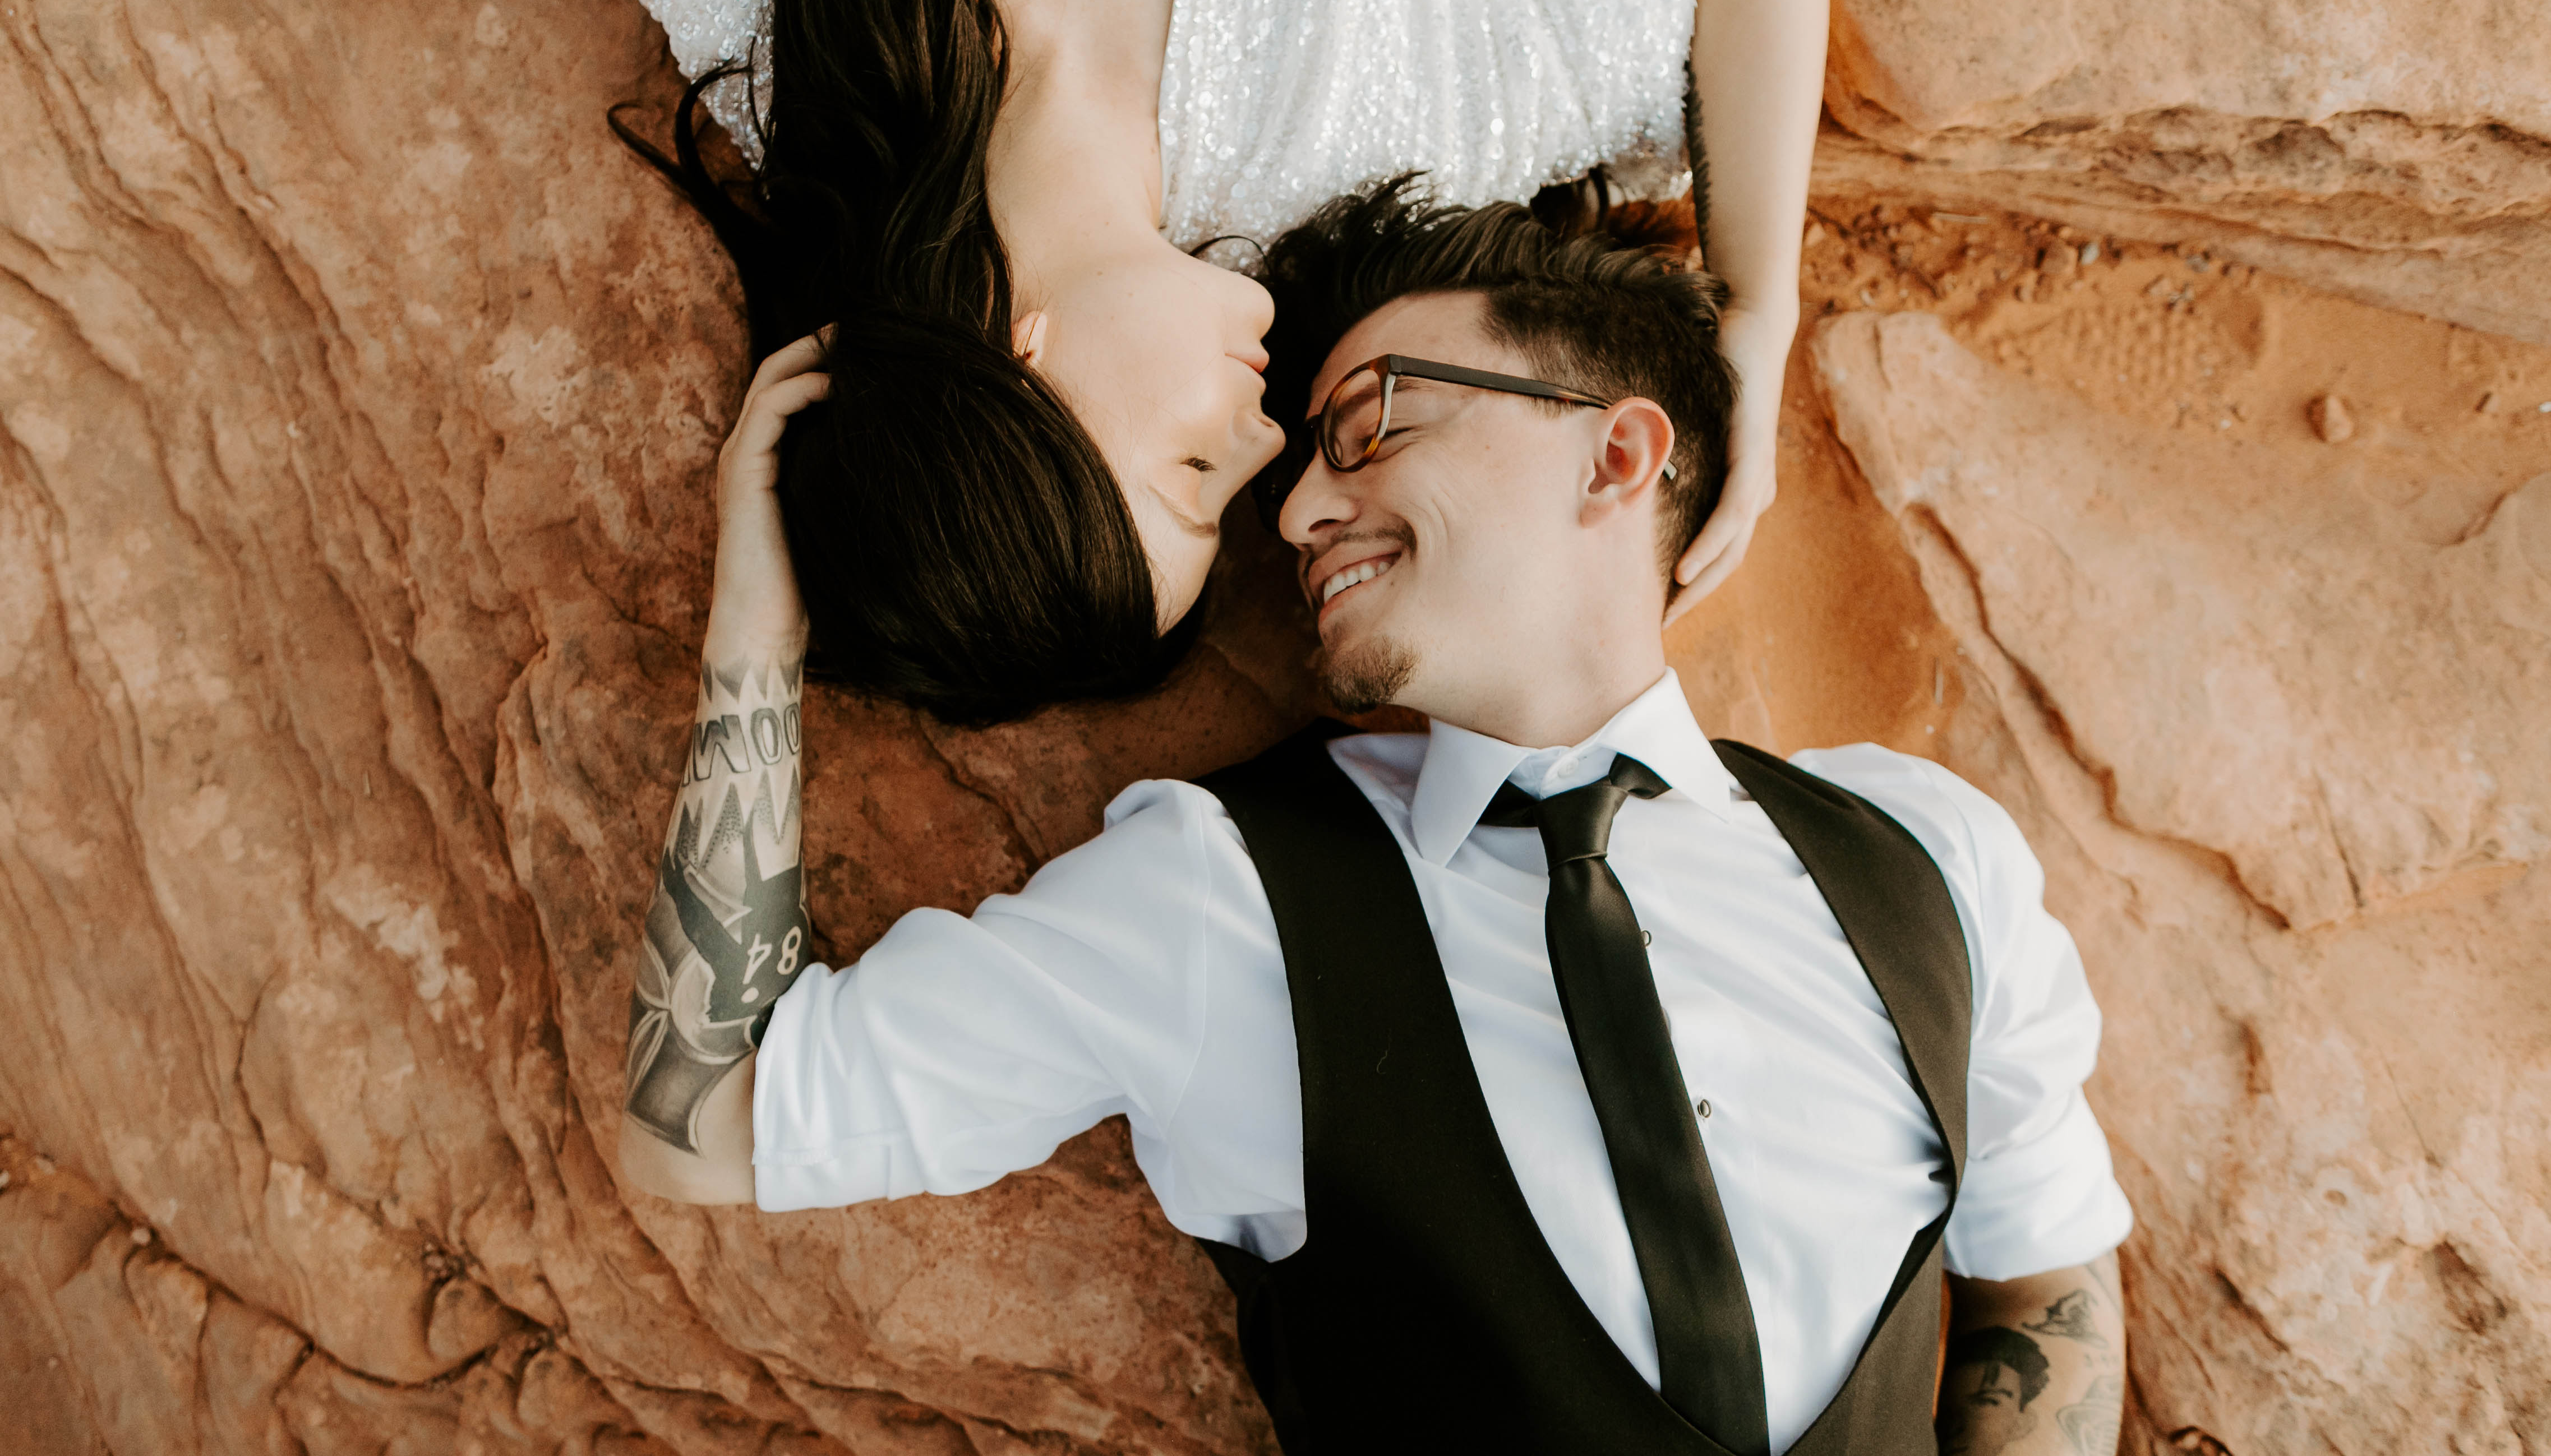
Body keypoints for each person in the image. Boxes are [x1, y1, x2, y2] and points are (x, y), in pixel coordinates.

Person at [617, 183, 2134, 1454]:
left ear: (1615, 452)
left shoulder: (1927, 855)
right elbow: (710, 1121)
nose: (1291, 514)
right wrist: (756, 628)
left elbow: (2039, 1276)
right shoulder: (1213, 901)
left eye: (1370, 426)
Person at [597, 0, 1829, 722]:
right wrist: (1756, 317)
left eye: (1191, 475)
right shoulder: (1378, 130)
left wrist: (763, 615)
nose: (1266, 444)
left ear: (1017, 360)